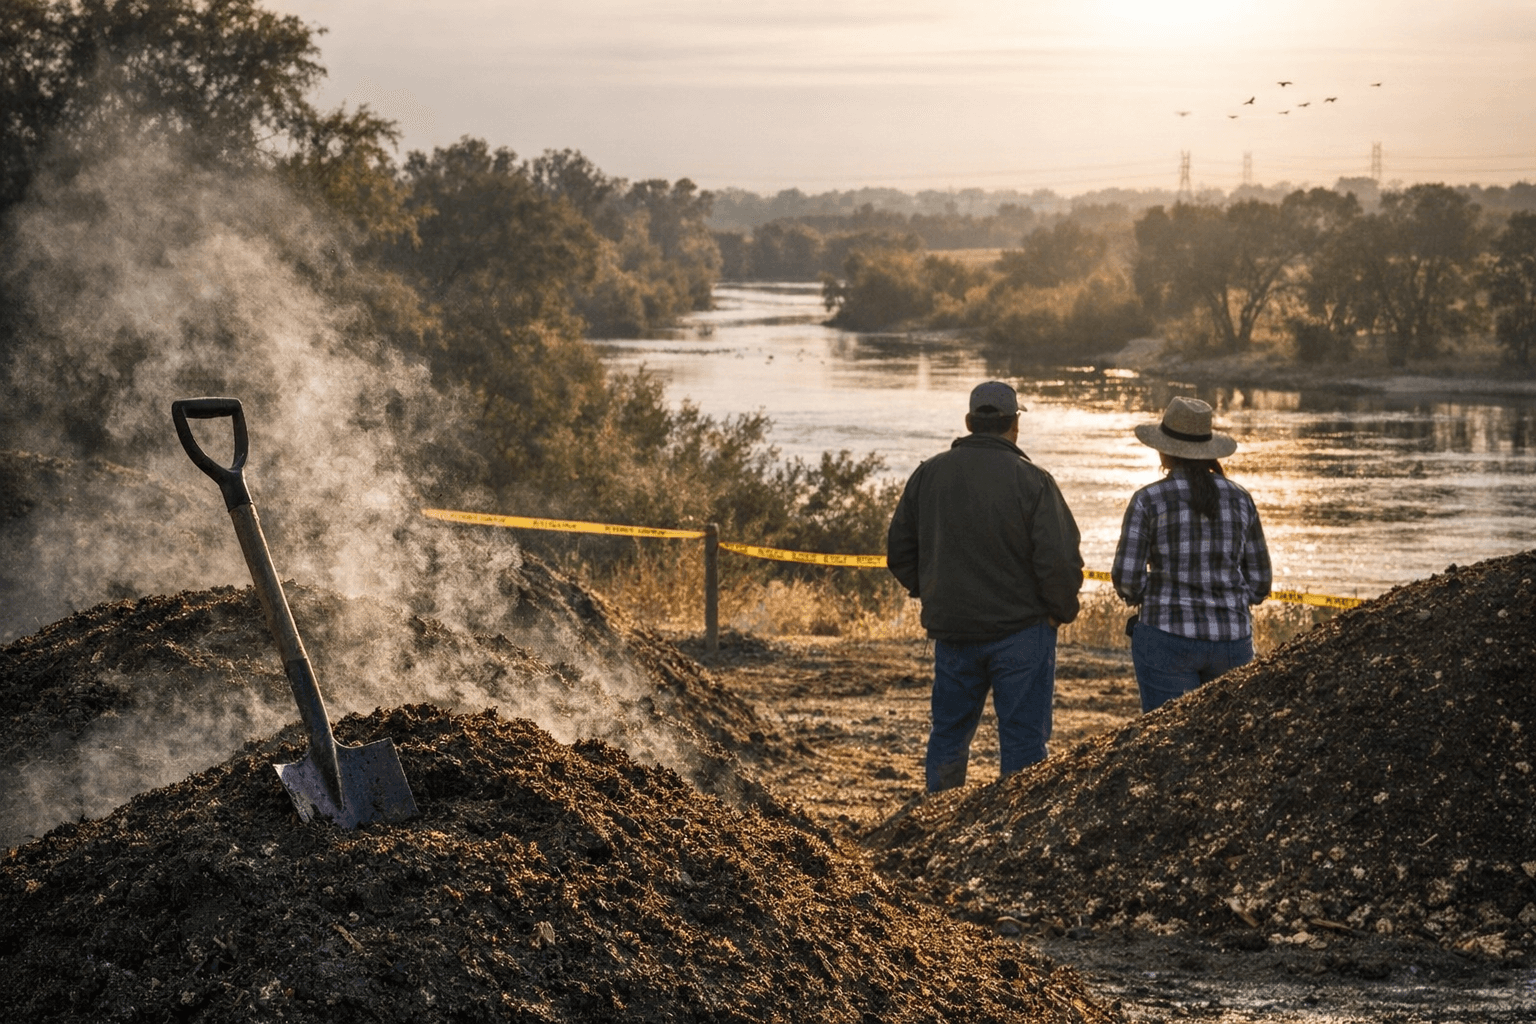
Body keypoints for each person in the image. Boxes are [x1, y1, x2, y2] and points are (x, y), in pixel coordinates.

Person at [887, 380, 1084, 793]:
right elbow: (1059, 561)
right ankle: (1016, 822)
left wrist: (933, 592)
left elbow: (899, 553)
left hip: (954, 632)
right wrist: (1060, 612)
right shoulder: (1034, 481)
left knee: (949, 735)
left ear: (968, 422)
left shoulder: (929, 474)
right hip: (1023, 634)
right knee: (1024, 742)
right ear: (1015, 425)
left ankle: (938, 817)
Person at [1112, 396, 1272, 713]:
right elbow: (1260, 583)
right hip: (1232, 639)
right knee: (1225, 736)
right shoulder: (1241, 499)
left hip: (1165, 637)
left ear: (1165, 450)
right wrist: (1230, 598)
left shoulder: (1147, 500)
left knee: (1167, 733)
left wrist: (1154, 594)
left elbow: (1127, 579)